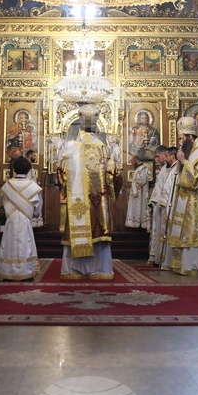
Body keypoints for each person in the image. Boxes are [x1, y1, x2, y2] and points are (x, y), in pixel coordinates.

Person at [57, 105, 120, 279]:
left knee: (77, 226)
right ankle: (100, 269)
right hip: (98, 203)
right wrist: (113, 191)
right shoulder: (104, 148)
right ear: (96, 125)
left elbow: (61, 174)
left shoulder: (70, 149)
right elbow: (113, 174)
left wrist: (65, 189)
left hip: (77, 202)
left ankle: (73, 270)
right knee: (98, 229)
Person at [167, 116, 198, 276]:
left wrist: (183, 161)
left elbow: (197, 179)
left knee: (194, 233)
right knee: (185, 233)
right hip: (187, 201)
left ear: (190, 137)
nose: (180, 142)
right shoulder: (192, 151)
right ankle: (185, 265)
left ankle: (195, 266)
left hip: (196, 204)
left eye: (182, 138)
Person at [0, 155, 41, 282]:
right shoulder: (33, 186)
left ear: (14, 169)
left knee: (9, 245)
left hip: (11, 220)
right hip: (25, 221)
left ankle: (8, 273)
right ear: (28, 169)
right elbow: (37, 210)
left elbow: (3, 202)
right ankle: (26, 272)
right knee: (25, 245)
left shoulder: (7, 185)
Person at [156, 146, 179, 269]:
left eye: (167, 155)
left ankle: (168, 261)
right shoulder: (173, 169)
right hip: (168, 204)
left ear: (172, 156)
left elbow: (169, 188)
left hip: (171, 206)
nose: (166, 158)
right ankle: (166, 260)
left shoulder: (176, 169)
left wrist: (163, 202)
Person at [147, 146, 170, 264]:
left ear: (165, 154)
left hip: (163, 204)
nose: (156, 159)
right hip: (158, 203)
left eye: (158, 156)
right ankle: (155, 256)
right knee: (156, 230)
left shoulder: (169, 169)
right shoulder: (164, 168)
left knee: (161, 231)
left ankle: (160, 257)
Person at [125, 155, 151, 229]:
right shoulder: (138, 169)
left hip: (140, 194)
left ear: (136, 160)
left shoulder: (143, 168)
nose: (132, 164)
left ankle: (140, 225)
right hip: (136, 194)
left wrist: (133, 184)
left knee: (140, 208)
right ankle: (135, 224)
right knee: (135, 208)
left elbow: (142, 181)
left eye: (132, 162)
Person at [24, 149, 44, 228]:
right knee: (34, 203)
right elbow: (28, 178)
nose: (35, 157)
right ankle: (33, 219)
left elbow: (32, 177)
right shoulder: (27, 165)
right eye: (34, 155)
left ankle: (35, 219)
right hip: (30, 188)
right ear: (30, 155)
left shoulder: (30, 164)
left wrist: (36, 179)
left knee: (38, 202)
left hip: (33, 187)